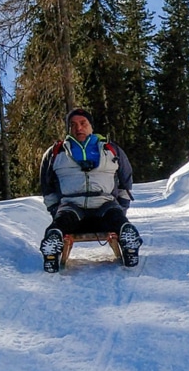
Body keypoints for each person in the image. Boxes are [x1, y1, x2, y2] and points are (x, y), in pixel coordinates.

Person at [39, 108, 143, 273]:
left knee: (116, 217)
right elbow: (47, 185)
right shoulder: (56, 153)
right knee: (61, 222)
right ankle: (53, 246)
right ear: (68, 129)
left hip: (105, 204)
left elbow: (125, 179)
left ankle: (129, 243)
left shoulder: (110, 149)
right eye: (73, 125)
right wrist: (54, 209)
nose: (78, 128)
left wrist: (122, 207)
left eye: (83, 123)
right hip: (72, 206)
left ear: (91, 126)